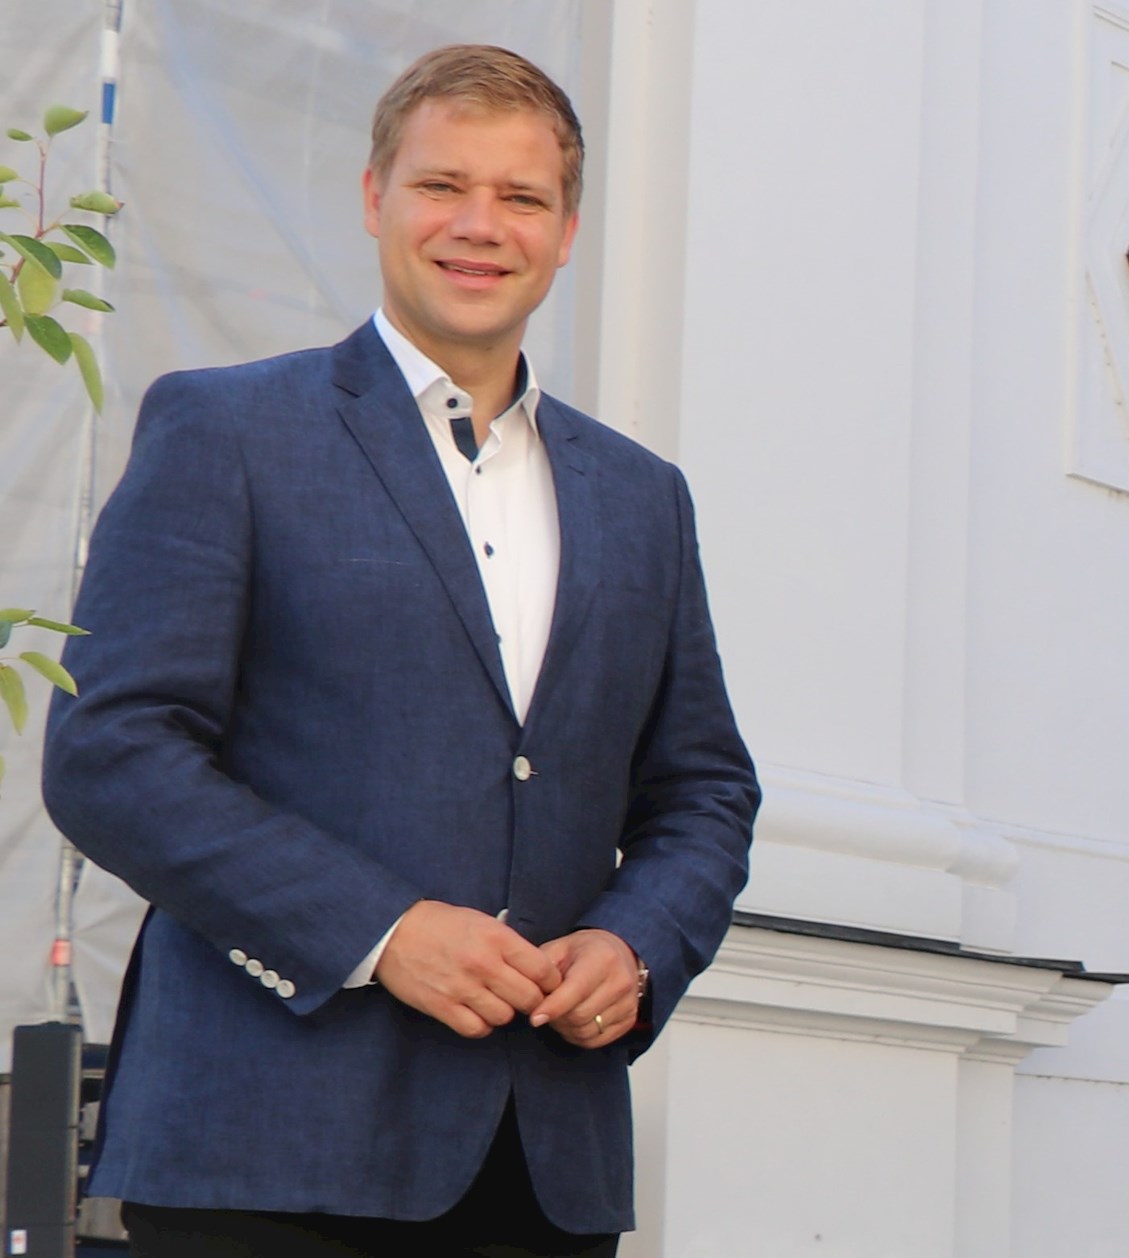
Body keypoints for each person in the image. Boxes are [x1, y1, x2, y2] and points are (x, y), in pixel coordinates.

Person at [42, 45, 757, 1258]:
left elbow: (703, 790)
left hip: (544, 1168)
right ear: (376, 198)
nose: (480, 227)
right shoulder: (227, 429)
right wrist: (378, 930)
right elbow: (112, 753)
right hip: (265, 1154)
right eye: (443, 186)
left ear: (567, 229)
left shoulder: (645, 497)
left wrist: (638, 942)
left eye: (521, 197)